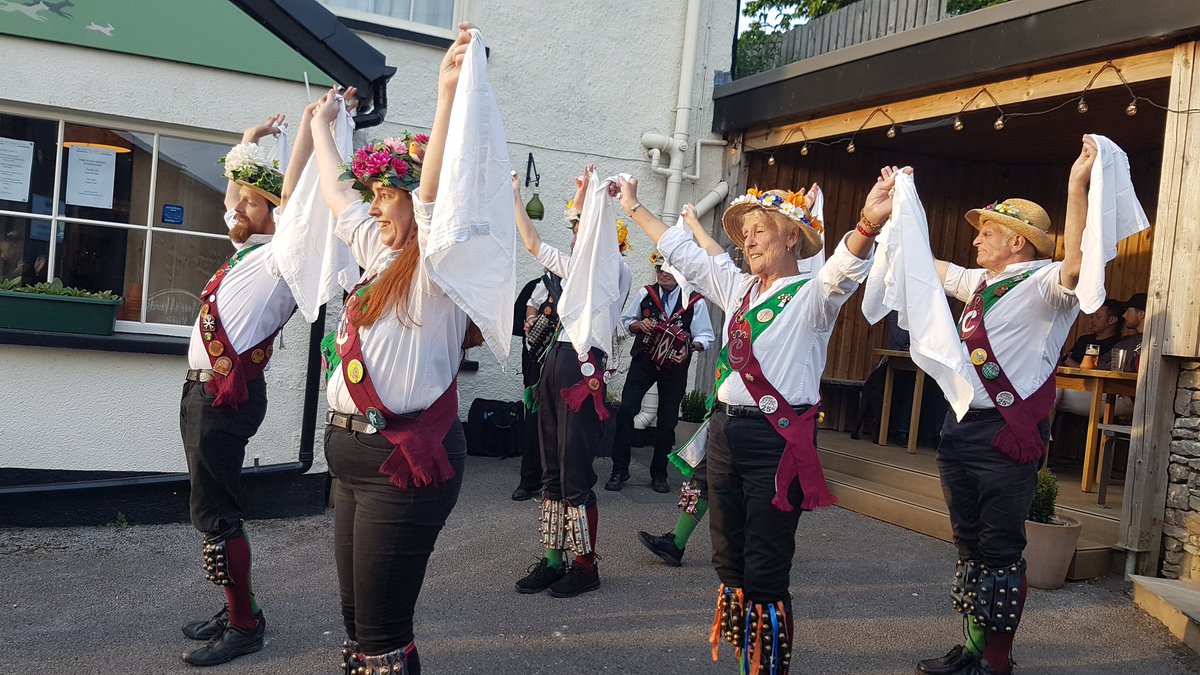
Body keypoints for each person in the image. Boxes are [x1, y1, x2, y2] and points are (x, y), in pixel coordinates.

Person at [619, 172, 892, 674]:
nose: (746, 240)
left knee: (765, 569)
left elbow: (844, 271)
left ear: (792, 236)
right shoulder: (741, 288)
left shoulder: (812, 296)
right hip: (725, 434)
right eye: (743, 233)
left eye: (758, 230)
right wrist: (634, 207)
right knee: (729, 561)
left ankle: (765, 669)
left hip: (775, 443)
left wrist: (869, 222)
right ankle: (748, 662)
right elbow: (685, 253)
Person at [303, 24, 502, 674]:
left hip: (402, 467)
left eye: (391, 196)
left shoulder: (435, 269)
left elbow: (437, 189)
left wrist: (447, 98)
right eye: (380, 194)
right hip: (354, 460)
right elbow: (337, 195)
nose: (380, 206)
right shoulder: (376, 251)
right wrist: (322, 129)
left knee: (381, 633)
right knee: (357, 621)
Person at [915, 138, 1096, 675]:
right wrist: (892, 219)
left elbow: (1077, 262)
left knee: (999, 548)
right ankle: (973, 648)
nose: (977, 241)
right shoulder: (981, 284)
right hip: (961, 426)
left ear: (1017, 242)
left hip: (1005, 434)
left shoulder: (1044, 285)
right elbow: (931, 269)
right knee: (969, 545)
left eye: (987, 232)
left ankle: (996, 659)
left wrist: (1076, 186)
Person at [178, 113, 297, 667]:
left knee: (218, 513)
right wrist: (248, 144)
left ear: (277, 213)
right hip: (204, 393)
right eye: (241, 199)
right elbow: (233, 204)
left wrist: (311, 140)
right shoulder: (248, 250)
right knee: (212, 509)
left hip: (226, 398)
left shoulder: (281, 257)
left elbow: (292, 208)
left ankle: (246, 624)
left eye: (253, 202)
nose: (237, 208)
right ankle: (236, 608)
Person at [512, 165, 631, 599]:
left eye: (584, 227)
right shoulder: (576, 268)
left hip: (583, 369)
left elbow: (597, 247)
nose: (578, 232)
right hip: (556, 364)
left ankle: (586, 566)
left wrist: (598, 199)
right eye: (577, 227)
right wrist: (514, 197)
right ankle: (554, 560)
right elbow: (533, 243)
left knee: (576, 475)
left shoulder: (612, 274)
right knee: (553, 473)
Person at [607, 250, 714, 493]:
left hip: (675, 366)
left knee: (667, 420)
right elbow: (626, 321)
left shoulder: (693, 301)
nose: (662, 273)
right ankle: (619, 470)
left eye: (667, 269)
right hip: (643, 361)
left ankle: (659, 473)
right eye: (658, 269)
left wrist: (689, 347)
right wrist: (638, 324)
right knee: (626, 411)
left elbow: (705, 336)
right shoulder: (647, 293)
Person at [1059, 298, 1124, 367]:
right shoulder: (1084, 340)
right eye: (1092, 316)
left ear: (1112, 320)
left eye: (1098, 317)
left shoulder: (1117, 346)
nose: (1092, 320)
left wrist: (1064, 358)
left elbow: (1093, 371)